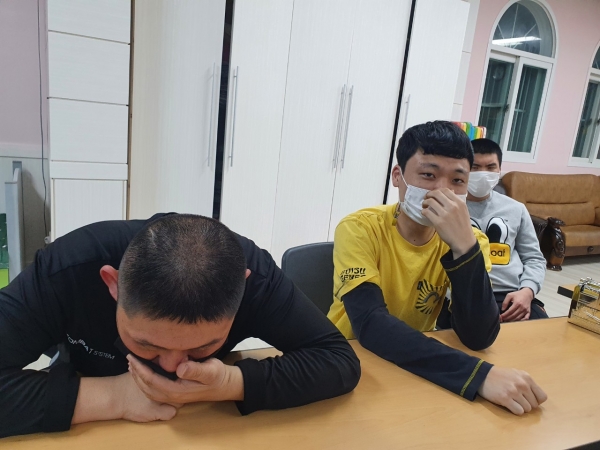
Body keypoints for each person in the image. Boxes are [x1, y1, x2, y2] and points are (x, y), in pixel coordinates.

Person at [0, 214, 361, 438]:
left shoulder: (254, 275)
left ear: (243, 291)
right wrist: (115, 396)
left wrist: (229, 383)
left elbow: (337, 359)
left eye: (202, 347)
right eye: (147, 344)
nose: (175, 367)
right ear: (113, 285)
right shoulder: (67, 269)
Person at [327, 121, 547, 416]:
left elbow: (478, 336)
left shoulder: (472, 240)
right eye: (428, 175)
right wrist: (478, 376)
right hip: (349, 357)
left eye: (457, 180)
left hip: (413, 362)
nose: (443, 191)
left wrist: (464, 248)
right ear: (398, 176)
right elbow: (369, 323)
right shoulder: (360, 228)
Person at [465, 138, 548, 322]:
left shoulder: (516, 209)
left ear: (499, 170)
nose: (483, 174)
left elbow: (534, 258)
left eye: (490, 167)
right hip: (464, 294)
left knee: (544, 332)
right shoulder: (448, 207)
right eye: (475, 167)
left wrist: (527, 291)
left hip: (510, 294)